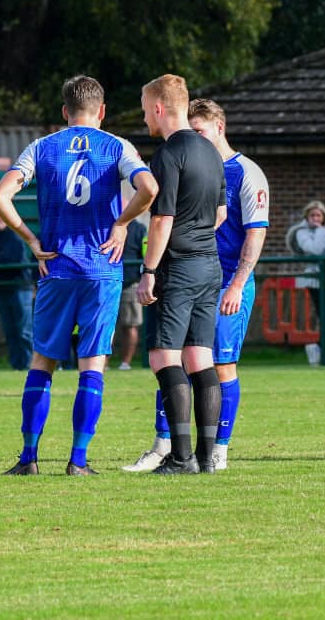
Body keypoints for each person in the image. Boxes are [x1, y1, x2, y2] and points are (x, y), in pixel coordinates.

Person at [0, 74, 157, 476]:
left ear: (65, 111)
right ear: (102, 112)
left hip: (57, 267)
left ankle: (29, 458)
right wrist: (122, 224)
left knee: (42, 361)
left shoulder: (41, 147)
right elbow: (149, 188)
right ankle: (78, 461)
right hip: (101, 269)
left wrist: (31, 239)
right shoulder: (117, 146)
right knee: (92, 365)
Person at [123, 97, 268, 472]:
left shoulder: (245, 172)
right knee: (189, 360)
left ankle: (213, 450)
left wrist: (237, 284)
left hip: (218, 278)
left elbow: (254, 233)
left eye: (200, 129)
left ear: (219, 127)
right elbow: (215, 215)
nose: (195, 135)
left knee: (213, 363)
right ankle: (171, 446)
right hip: (202, 270)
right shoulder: (201, 160)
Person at [135, 74, 226, 475]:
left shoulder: (169, 155)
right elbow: (221, 213)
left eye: (144, 111)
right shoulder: (211, 151)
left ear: (158, 108)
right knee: (200, 358)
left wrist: (149, 270)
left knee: (163, 356)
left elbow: (162, 219)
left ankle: (181, 457)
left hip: (179, 266)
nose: (144, 119)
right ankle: (207, 458)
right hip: (210, 264)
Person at [0, 207, 36, 371]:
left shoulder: (15, 234)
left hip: (19, 287)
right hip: (1, 287)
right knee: (10, 330)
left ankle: (31, 364)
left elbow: (12, 258)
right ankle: (17, 365)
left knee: (24, 330)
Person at [285, 200, 325, 308]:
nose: (315, 218)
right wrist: (320, 230)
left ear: (324, 216)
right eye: (312, 215)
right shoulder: (301, 232)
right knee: (323, 311)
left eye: (318, 215)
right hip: (316, 278)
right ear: (307, 217)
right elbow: (316, 250)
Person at [114, 210, 147, 371]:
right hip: (109, 281)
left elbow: (145, 254)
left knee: (131, 325)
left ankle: (125, 363)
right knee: (105, 325)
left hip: (131, 282)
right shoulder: (107, 225)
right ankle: (102, 363)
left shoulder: (139, 229)